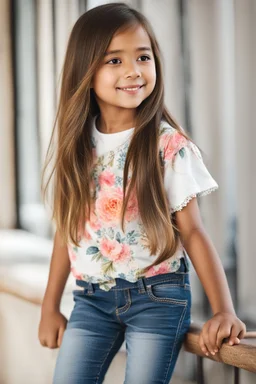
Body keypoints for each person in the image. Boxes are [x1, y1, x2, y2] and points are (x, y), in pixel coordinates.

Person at [38, 3, 246, 383]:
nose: (134, 71)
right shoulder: (79, 145)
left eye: (143, 57)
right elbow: (67, 230)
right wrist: (50, 306)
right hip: (90, 300)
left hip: (158, 299)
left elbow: (194, 232)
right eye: (114, 61)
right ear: (85, 69)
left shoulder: (168, 147)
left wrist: (224, 310)